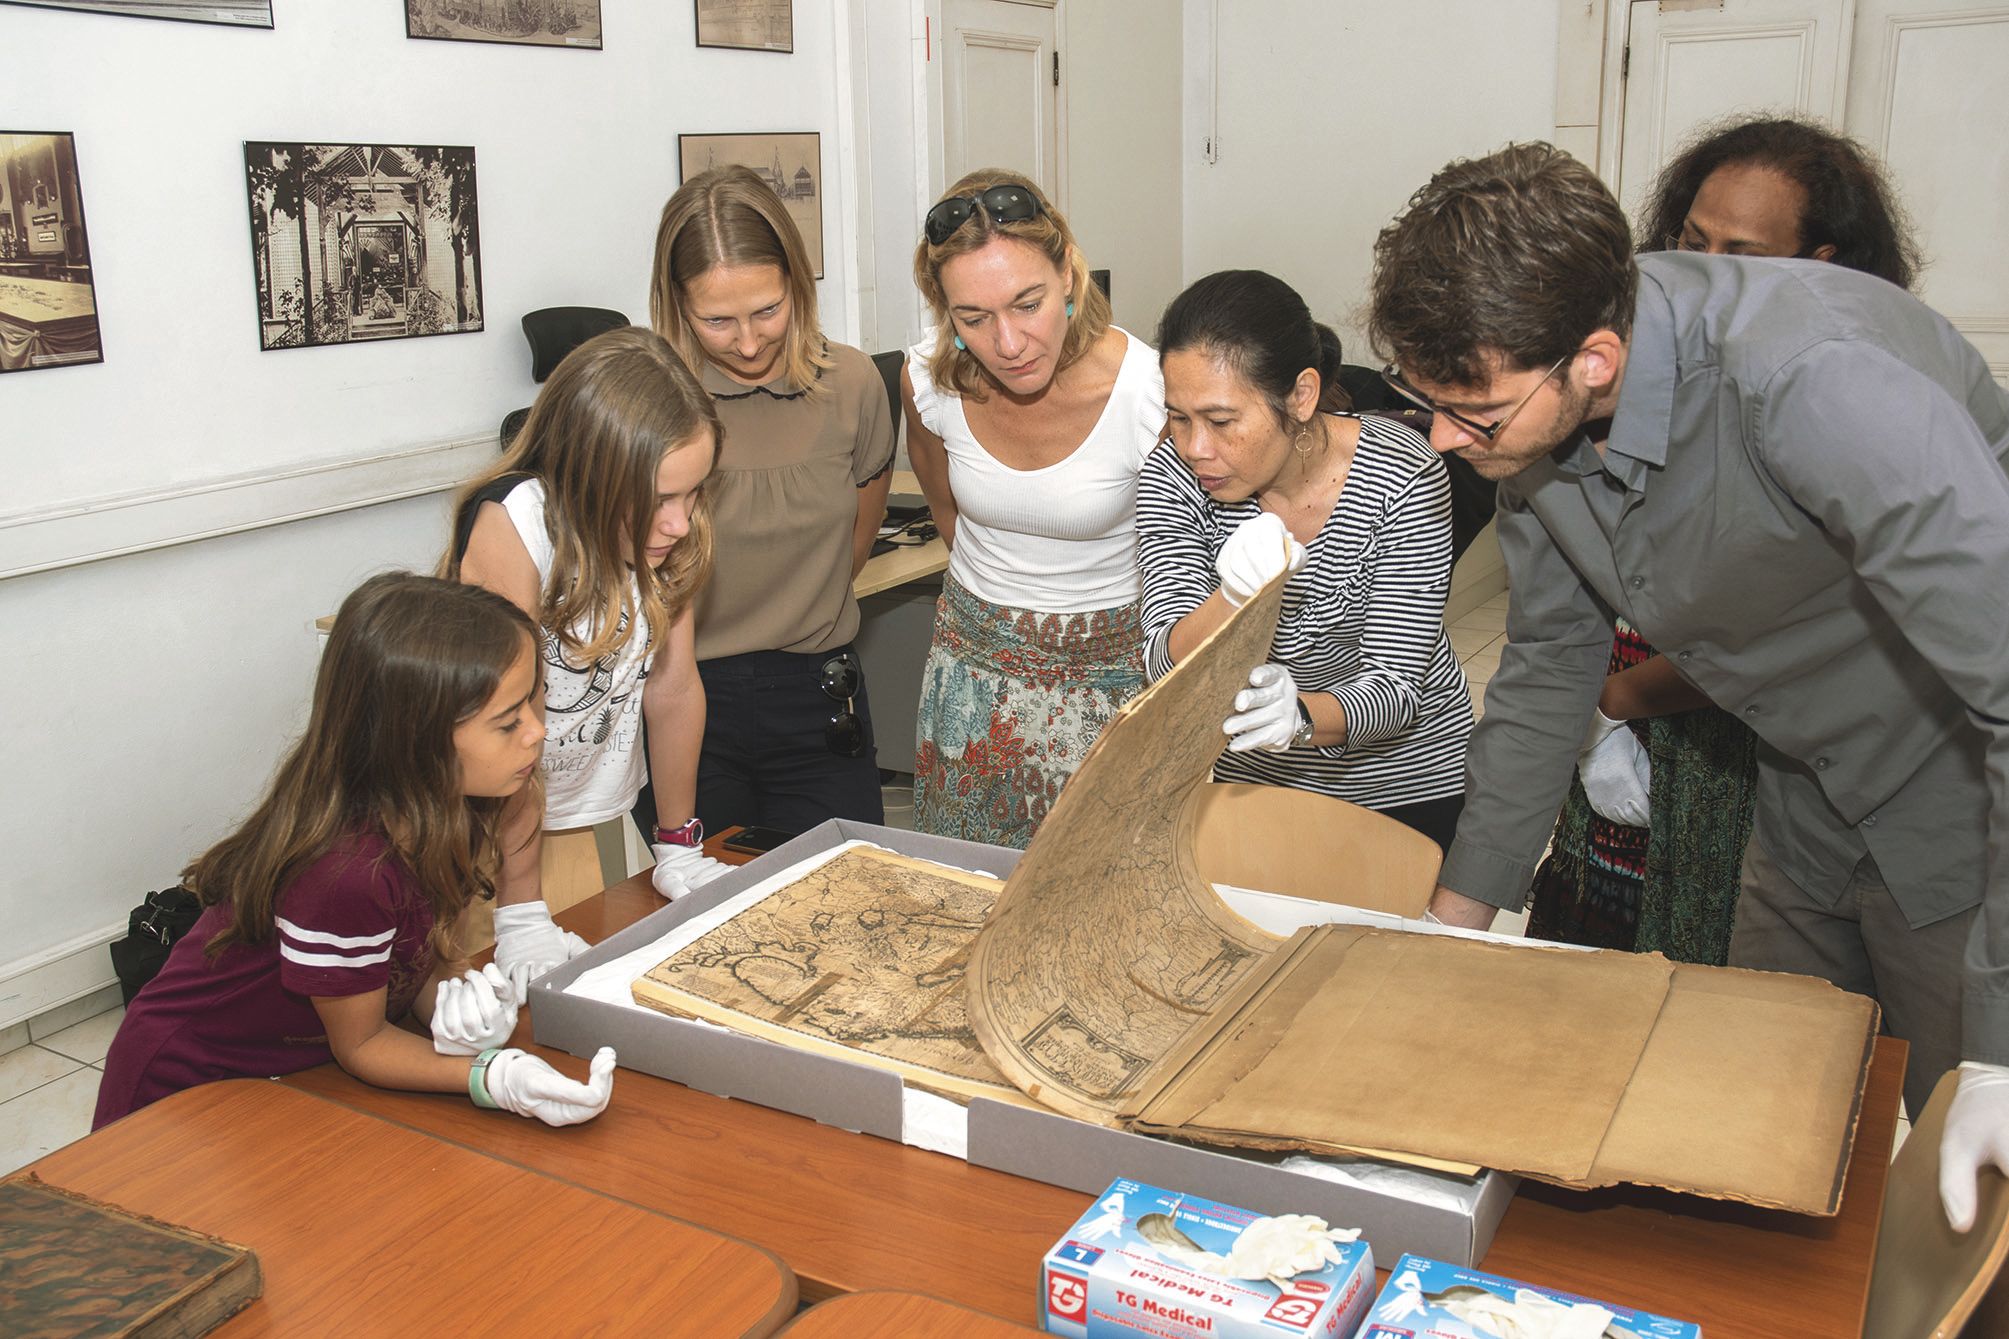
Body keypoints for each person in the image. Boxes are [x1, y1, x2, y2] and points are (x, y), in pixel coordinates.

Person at [1366, 141, 2009, 1229]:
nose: (1440, 439)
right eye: (1419, 400)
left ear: (1596, 359)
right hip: (1797, 786)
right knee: (1766, 1118)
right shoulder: (1532, 408)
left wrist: (1997, 1047)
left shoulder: (1810, 383)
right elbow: (1546, 665)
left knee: (1971, 1180)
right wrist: (1453, 924)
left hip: (1960, 798)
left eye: (1470, 413)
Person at [1522, 115, 1924, 965]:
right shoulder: (1635, 370)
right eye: (1689, 239)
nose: (1701, 271)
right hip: (1628, 719)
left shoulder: (1832, 406)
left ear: (1819, 269)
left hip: (1738, 751)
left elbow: (1795, 627)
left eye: (1739, 253)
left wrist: (1617, 700)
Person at [96, 573, 617, 1130]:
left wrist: (452, 1003)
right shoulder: (344, 874)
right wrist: (492, 1075)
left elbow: (413, 957)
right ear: (418, 741)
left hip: (298, 1069)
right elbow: (362, 1043)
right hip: (192, 1087)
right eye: (508, 721)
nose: (537, 732)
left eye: (533, 703)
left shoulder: (460, 801)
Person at [1138, 270, 1471, 850]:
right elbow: (1166, 666)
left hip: (1406, 785)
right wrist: (1233, 601)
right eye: (1178, 416)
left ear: (1301, 395)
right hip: (1258, 789)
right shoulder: (1174, 479)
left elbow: (1396, 687)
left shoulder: (1403, 473)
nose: (1196, 448)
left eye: (1220, 421)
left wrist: (1299, 718)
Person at [446, 326, 729, 987]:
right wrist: (519, 910)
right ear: (593, 474)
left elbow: (673, 689)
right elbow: (518, 725)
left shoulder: (668, 539)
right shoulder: (515, 523)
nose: (680, 522)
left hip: (598, 821)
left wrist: (677, 841)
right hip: (494, 845)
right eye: (660, 498)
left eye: (694, 493)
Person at [903, 169, 1163, 847]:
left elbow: (1183, 572)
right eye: (973, 318)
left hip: (1114, 691)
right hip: (969, 691)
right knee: (966, 902)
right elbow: (949, 521)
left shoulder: (1148, 393)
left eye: (1027, 303)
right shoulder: (928, 384)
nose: (1008, 343)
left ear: (1070, 277)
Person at [651, 165, 895, 836]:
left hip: (818, 695)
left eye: (767, 310)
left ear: (797, 281)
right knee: (708, 919)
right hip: (684, 694)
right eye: (717, 321)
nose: (750, 341)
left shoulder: (852, 384)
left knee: (848, 907)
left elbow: (855, 542)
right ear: (676, 303)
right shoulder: (649, 403)